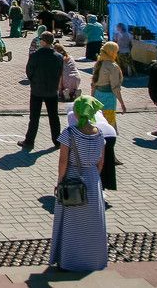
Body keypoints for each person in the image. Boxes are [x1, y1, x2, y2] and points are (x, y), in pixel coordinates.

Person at [49, 96, 108, 272]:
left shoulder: (69, 133)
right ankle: (92, 259)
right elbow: (101, 162)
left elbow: (63, 161)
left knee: (71, 223)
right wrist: (93, 177)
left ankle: (69, 260)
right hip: (92, 179)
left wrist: (60, 181)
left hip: (72, 179)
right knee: (92, 224)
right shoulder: (99, 133)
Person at [19, 32, 64, 150]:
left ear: (43, 41)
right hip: (52, 90)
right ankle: (57, 140)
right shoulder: (58, 56)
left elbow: (29, 71)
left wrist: (33, 81)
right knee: (54, 117)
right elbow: (60, 72)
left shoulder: (35, 55)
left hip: (37, 90)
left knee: (34, 117)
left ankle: (29, 141)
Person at [66, 100, 118, 194]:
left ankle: (95, 188)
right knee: (107, 162)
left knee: (94, 162)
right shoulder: (95, 110)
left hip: (98, 134)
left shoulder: (72, 113)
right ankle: (103, 187)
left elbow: (73, 132)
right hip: (111, 133)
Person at [91, 41, 127, 129]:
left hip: (97, 97)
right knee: (108, 125)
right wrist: (122, 104)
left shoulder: (98, 63)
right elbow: (115, 88)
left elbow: (93, 85)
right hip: (108, 99)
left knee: (97, 122)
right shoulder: (112, 66)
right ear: (112, 52)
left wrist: (92, 97)